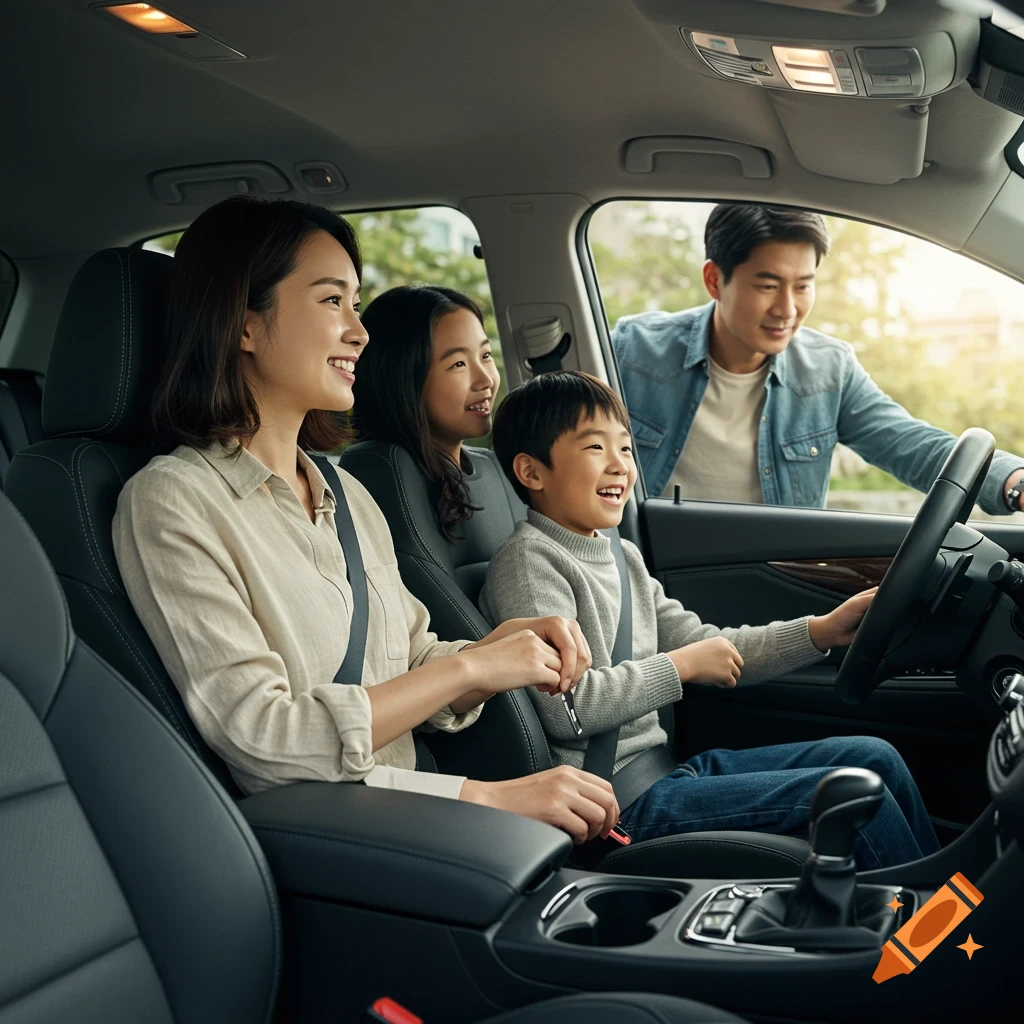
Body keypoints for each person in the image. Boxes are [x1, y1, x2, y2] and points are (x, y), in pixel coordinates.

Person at [111, 195, 622, 847]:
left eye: (357, 304)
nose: (360, 331)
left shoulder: (346, 492)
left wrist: (491, 654)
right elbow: (264, 743)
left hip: (415, 816)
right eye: (332, 302)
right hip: (342, 849)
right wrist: (484, 793)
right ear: (243, 323)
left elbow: (410, 662)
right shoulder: (172, 501)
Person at [478, 370, 941, 870]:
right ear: (532, 472)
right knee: (857, 797)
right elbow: (570, 710)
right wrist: (681, 666)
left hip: (663, 774)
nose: (620, 465)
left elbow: (706, 644)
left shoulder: (619, 554)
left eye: (627, 449)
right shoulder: (528, 564)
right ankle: (940, 943)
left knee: (875, 757)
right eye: (595, 448)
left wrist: (819, 631)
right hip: (614, 805)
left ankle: (949, 920)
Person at [611, 203, 1024, 513]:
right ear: (715, 280)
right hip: (649, 579)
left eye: (803, 286)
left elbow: (916, 447)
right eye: (768, 286)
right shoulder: (634, 351)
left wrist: (1015, 481)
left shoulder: (829, 371)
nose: (787, 309)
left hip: (770, 579)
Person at [352, 283, 499, 541]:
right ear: (402, 378)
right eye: (459, 364)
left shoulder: (495, 471)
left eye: (486, 355)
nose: (485, 379)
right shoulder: (389, 481)